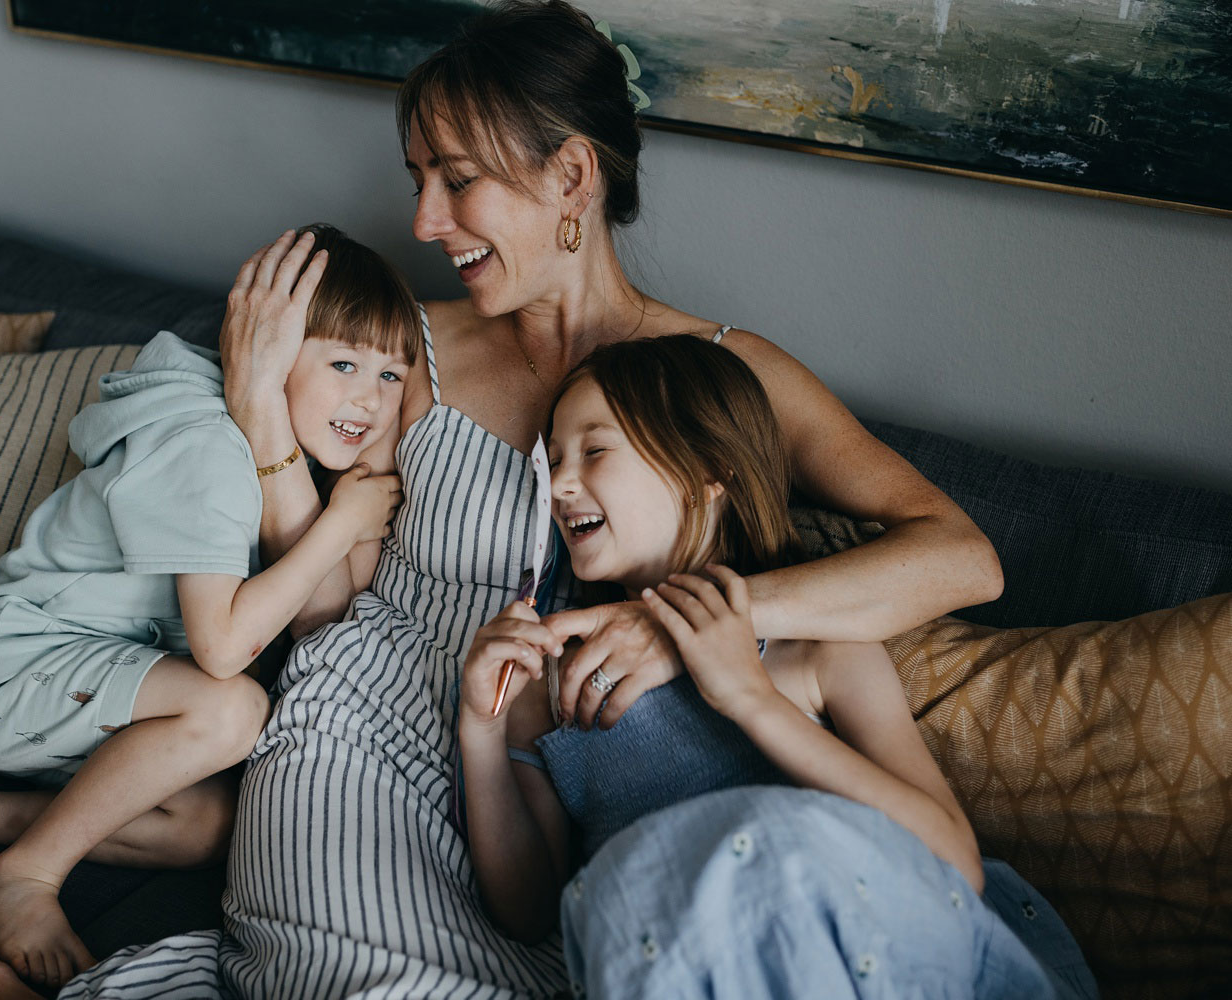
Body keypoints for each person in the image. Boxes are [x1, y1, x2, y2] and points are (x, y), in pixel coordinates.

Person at [0, 2, 1005, 997]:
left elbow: (960, 556)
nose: (426, 219)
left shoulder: (719, 375)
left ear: (571, 176)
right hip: (364, 732)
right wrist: (259, 411)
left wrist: (696, 625)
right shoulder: (409, 350)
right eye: (415, 178)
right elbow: (317, 598)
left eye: (455, 177)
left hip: (552, 789)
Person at [0, 225, 417, 989]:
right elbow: (224, 649)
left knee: (209, 827)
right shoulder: (205, 448)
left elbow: (336, 620)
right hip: (10, 673)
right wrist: (339, 527)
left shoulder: (288, 452)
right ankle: (25, 874)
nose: (368, 399)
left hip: (96, 688)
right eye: (343, 363)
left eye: (391, 377)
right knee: (233, 710)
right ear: (268, 348)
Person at [458, 335, 1095, 997]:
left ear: (708, 469)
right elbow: (529, 910)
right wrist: (479, 727)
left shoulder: (820, 646)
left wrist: (750, 700)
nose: (559, 484)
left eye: (594, 450)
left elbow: (953, 862)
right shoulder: (555, 678)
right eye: (552, 460)